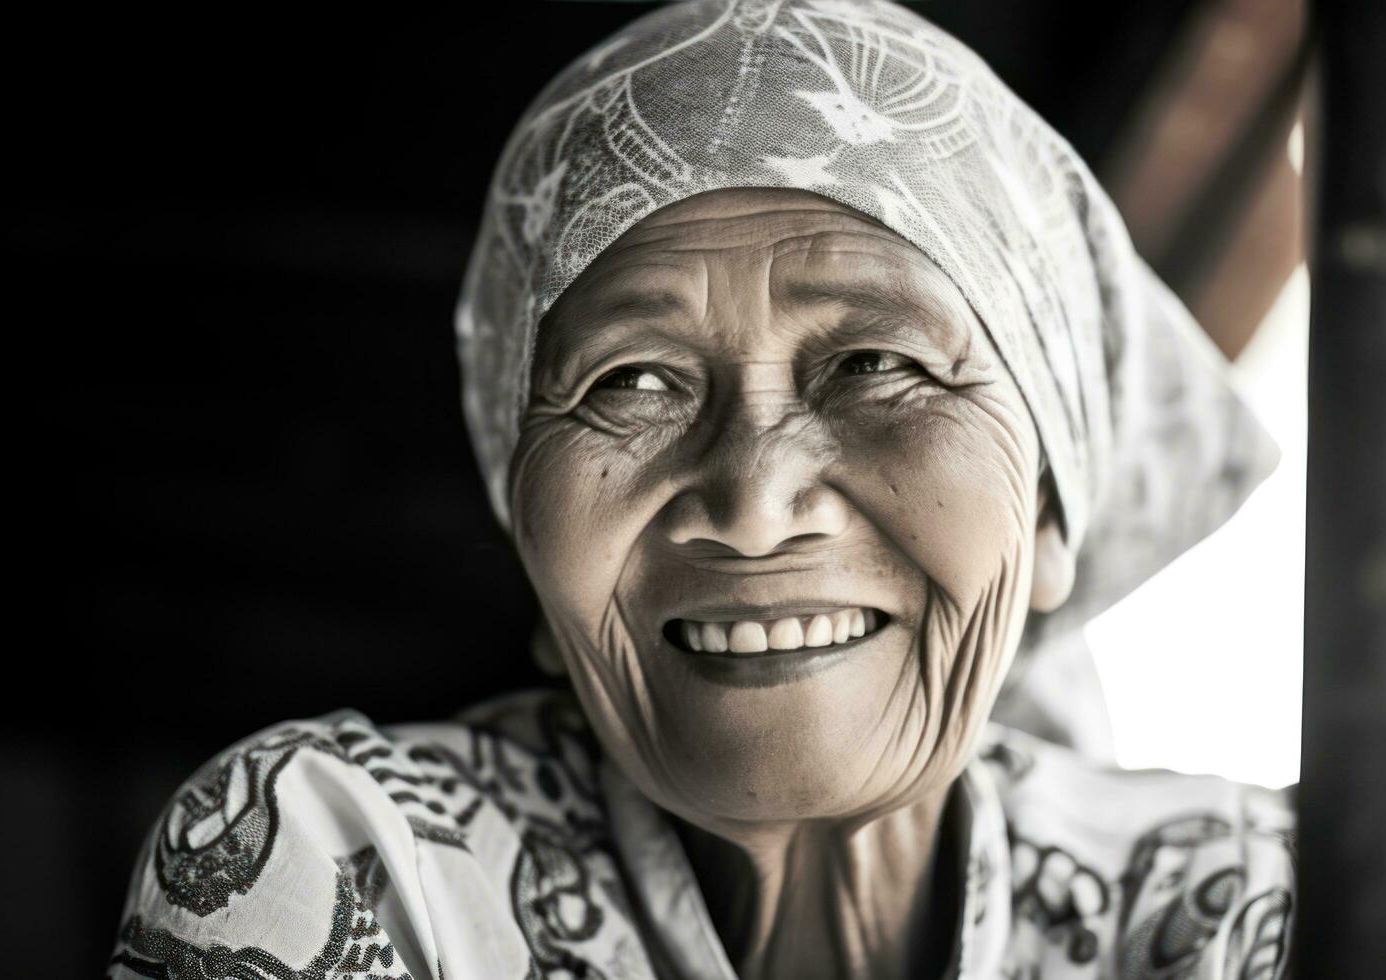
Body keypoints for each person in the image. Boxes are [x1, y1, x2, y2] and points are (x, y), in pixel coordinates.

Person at [108, 2, 1294, 977]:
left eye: (878, 365)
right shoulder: (347, 857)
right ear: (528, 539)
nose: (754, 497)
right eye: (629, 381)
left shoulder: (1248, 907)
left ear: (1047, 511)